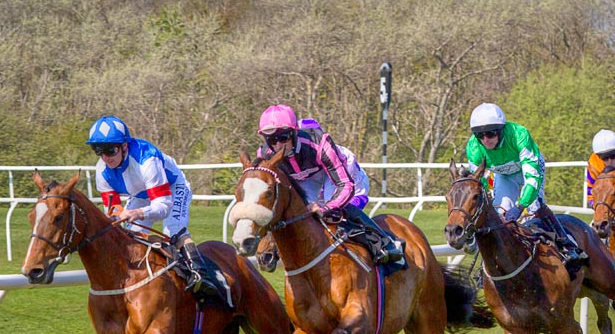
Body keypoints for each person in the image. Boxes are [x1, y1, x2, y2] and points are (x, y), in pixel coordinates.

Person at [86, 115, 220, 296]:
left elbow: (163, 207)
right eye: (98, 151)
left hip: (172, 189)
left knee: (172, 231)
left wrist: (137, 212)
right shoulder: (102, 171)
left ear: (124, 146)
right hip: (140, 195)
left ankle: (200, 275)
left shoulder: (146, 160)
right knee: (129, 234)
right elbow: (112, 214)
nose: (105, 158)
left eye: (110, 150)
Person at [256, 104, 403, 264]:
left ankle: (384, 243)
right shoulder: (264, 154)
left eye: (283, 137)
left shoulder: (320, 144)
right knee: (300, 213)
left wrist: (326, 208)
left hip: (340, 172)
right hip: (306, 177)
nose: (278, 145)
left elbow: (346, 185)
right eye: (271, 140)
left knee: (333, 213)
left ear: (294, 132)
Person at [465, 102, 587, 271]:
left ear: (501, 129)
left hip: (528, 169)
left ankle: (567, 245)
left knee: (534, 206)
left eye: (491, 133)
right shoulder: (473, 147)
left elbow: (532, 178)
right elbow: (480, 185)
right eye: (480, 135)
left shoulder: (519, 135)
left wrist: (520, 205)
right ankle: (491, 263)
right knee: (499, 213)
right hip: (504, 175)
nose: (486, 139)